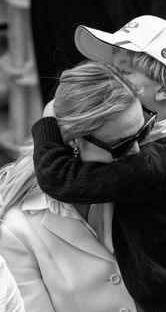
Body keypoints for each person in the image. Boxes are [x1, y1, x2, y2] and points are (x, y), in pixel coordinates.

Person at [31, 16, 166, 312]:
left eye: (123, 73)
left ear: (163, 91)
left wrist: (49, 119)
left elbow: (59, 177)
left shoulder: (150, 162)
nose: (112, 80)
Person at [0, 60, 151, 312]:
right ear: (74, 142)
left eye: (143, 134)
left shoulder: (143, 179)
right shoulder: (17, 230)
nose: (137, 153)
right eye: (120, 145)